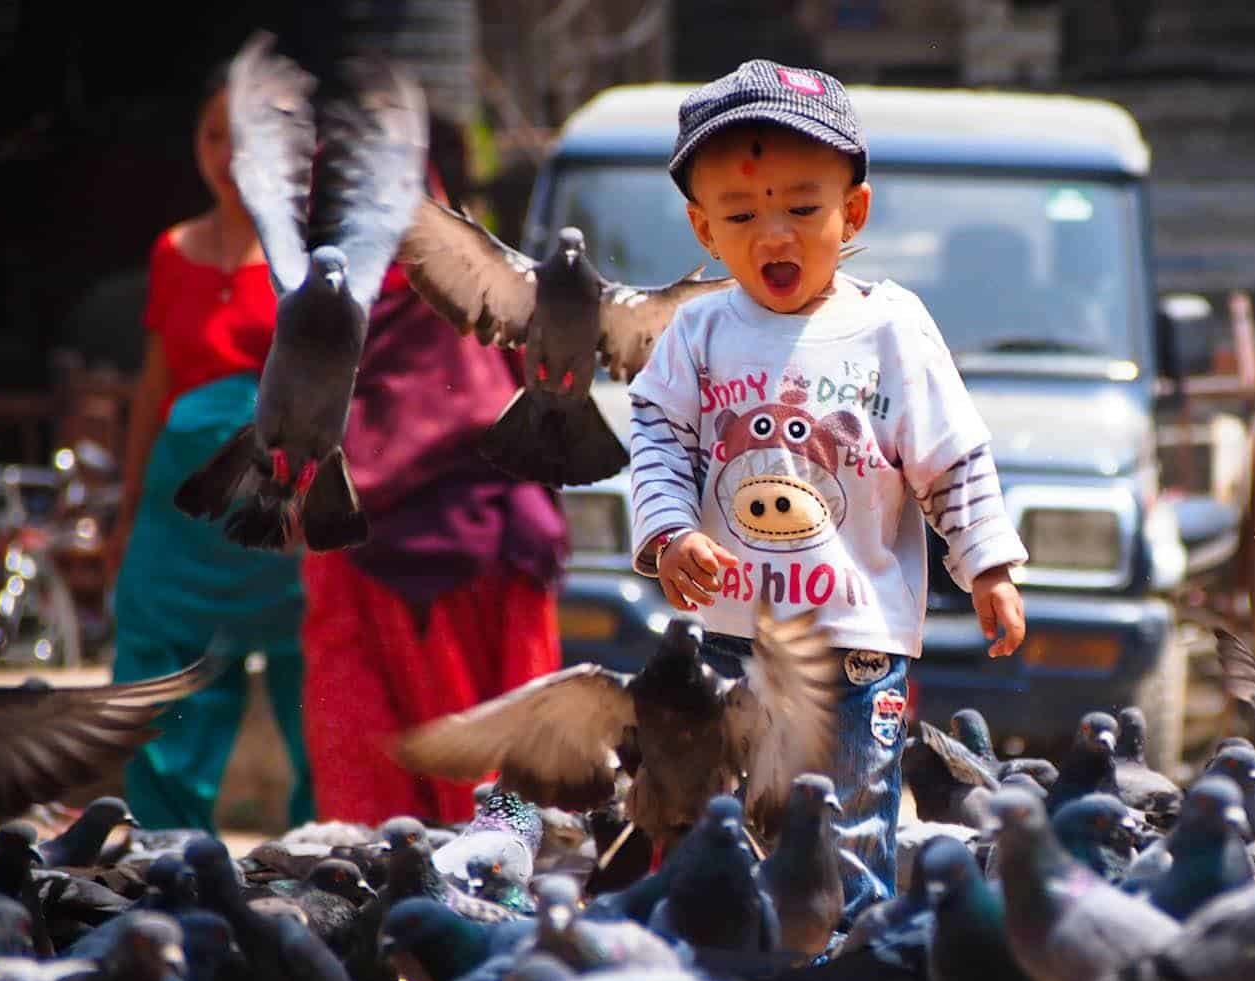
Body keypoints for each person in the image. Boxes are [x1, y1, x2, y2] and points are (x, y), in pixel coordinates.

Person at [627, 60, 1028, 905]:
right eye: (741, 213)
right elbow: (657, 438)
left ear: (855, 212)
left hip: (857, 643)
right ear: (704, 230)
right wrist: (668, 534)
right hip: (730, 636)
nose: (775, 235)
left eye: (803, 209)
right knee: (722, 817)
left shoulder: (891, 327)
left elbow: (951, 460)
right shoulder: (696, 332)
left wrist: (988, 565)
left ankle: (850, 963)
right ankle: (730, 954)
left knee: (849, 811)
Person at [299, 164, 568, 829]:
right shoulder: (470, 283)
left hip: (428, 562)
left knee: (381, 793)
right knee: (487, 788)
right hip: (466, 554)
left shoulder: (326, 301)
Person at [106, 66, 313, 832]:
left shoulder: (306, 260)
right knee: (155, 670)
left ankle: (326, 855)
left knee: (309, 677)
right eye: (213, 135)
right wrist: (126, 508)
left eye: (247, 136)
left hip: (277, 499)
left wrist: (310, 496)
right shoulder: (172, 250)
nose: (227, 153)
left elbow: (330, 387)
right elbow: (153, 385)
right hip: (177, 504)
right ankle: (168, 850)